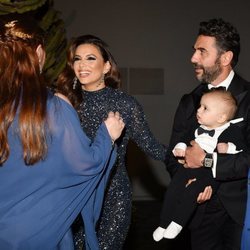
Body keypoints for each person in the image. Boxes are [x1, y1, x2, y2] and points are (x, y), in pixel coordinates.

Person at [0, 16, 125, 250]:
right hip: (39, 231)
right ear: (38, 53)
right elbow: (84, 165)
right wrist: (106, 135)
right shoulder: (54, 106)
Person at [56, 34, 168, 249]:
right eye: (77, 59)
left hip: (114, 193)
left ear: (106, 67)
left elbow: (150, 144)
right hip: (76, 193)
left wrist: (184, 157)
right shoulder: (65, 103)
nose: (82, 65)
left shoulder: (123, 103)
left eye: (90, 58)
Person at [165, 18, 250, 250]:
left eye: (202, 51)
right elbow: (172, 154)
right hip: (198, 213)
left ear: (225, 58)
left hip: (241, 213)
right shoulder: (189, 101)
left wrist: (207, 161)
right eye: (194, 51)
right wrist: (190, 181)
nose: (193, 58)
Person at [153, 88, 246, 241]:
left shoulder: (232, 130)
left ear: (221, 117)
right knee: (173, 189)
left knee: (192, 191)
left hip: (210, 174)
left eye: (205, 108)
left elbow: (241, 148)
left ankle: (177, 223)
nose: (199, 110)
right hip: (188, 168)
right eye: (200, 106)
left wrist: (229, 147)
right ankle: (163, 223)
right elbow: (182, 139)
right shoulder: (196, 127)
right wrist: (181, 148)